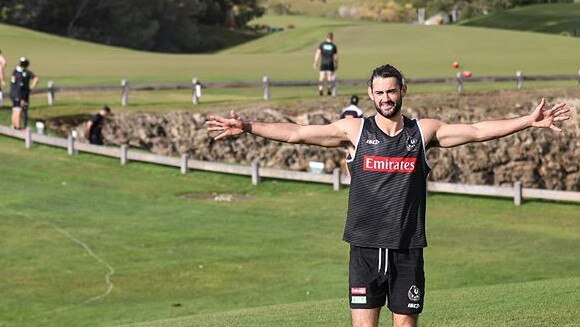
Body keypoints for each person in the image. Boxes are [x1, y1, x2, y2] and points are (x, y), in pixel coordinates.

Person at [205, 64, 570, 327]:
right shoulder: (354, 131)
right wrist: (248, 127)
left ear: (403, 91)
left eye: (391, 91)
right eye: (379, 93)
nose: (385, 98)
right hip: (364, 247)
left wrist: (526, 120)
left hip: (407, 247)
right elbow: (297, 134)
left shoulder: (423, 132)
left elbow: (475, 130)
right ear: (370, 95)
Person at [10, 57, 39, 129]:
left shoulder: (16, 71)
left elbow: (36, 79)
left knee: (15, 110)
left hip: (15, 94)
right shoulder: (20, 73)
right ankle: (17, 127)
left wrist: (30, 88)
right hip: (19, 95)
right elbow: (20, 87)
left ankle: (15, 126)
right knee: (18, 110)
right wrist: (22, 98)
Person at [313, 32, 338, 96]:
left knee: (321, 77)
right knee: (329, 77)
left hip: (323, 63)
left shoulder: (322, 44)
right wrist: (336, 64)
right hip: (330, 63)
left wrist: (315, 62)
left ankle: (320, 89)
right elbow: (335, 57)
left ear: (326, 37)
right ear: (332, 38)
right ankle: (329, 90)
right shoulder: (333, 46)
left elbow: (318, 53)